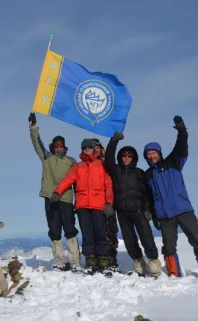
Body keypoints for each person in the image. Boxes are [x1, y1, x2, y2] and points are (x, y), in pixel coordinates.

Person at [143, 116, 198, 277]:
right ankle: (174, 274)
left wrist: (182, 131)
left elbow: (181, 148)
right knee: (168, 246)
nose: (151, 156)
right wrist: (154, 216)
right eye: (148, 154)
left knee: (197, 240)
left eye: (153, 153)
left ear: (159, 153)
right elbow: (149, 198)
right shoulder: (147, 175)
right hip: (165, 215)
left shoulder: (173, 162)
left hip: (183, 209)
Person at [51, 138, 115, 276]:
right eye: (85, 148)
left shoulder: (102, 165)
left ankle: (104, 262)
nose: (87, 150)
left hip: (99, 205)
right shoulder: (78, 167)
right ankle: (91, 262)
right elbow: (67, 180)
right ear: (82, 150)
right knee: (87, 235)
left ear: (93, 149)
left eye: (89, 148)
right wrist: (57, 192)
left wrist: (109, 203)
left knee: (100, 233)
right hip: (82, 206)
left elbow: (108, 185)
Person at [28, 112, 82, 273]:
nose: (59, 147)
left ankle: (74, 262)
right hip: (49, 198)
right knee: (54, 229)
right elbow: (37, 143)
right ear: (53, 146)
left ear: (64, 146)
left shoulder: (71, 161)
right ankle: (59, 261)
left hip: (66, 198)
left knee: (70, 229)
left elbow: (77, 182)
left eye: (61, 145)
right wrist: (33, 127)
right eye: (56, 145)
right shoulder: (47, 158)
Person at [105, 131, 161, 277]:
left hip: (138, 211)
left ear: (134, 158)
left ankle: (154, 264)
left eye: (130, 156)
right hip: (122, 213)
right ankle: (139, 264)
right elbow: (109, 157)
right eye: (124, 155)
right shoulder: (115, 170)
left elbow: (145, 194)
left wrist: (148, 209)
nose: (126, 158)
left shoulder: (139, 173)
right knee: (130, 240)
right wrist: (114, 140)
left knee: (146, 238)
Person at [92, 138, 120, 273]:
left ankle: (111, 261)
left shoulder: (106, 165)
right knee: (95, 233)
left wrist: (109, 202)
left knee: (111, 232)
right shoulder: (85, 165)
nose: (95, 149)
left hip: (108, 203)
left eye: (98, 147)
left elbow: (109, 183)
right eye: (93, 147)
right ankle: (97, 261)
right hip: (93, 205)